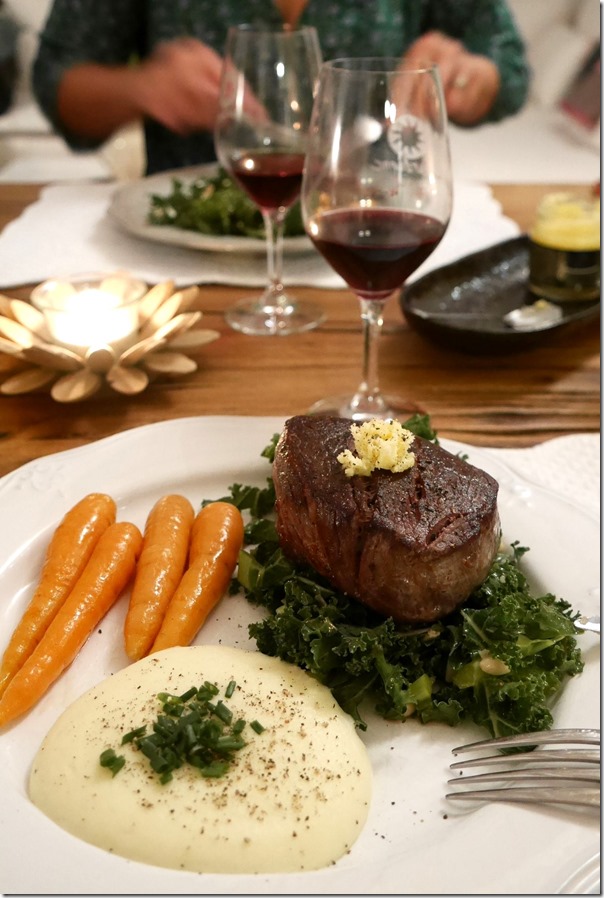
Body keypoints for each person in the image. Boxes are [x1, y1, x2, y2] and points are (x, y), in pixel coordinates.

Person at [33, 0, 530, 176]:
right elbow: (57, 80)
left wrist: (467, 79)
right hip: (188, 255)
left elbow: (507, 68)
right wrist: (139, 88)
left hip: (375, 231)